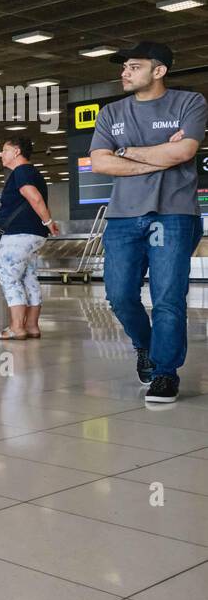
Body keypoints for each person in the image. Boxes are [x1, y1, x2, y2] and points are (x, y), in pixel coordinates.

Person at [88, 41, 205, 403]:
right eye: (124, 66)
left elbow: (185, 151)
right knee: (119, 295)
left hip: (173, 213)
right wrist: (159, 156)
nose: (124, 72)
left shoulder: (190, 103)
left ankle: (165, 373)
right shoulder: (111, 112)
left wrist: (125, 152)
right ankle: (145, 346)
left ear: (159, 71)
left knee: (168, 298)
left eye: (134, 66)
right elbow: (101, 162)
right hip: (123, 216)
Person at [0, 136, 59, 340]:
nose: (1, 154)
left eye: (4, 149)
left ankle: (16, 327)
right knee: (28, 277)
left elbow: (34, 197)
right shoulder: (33, 172)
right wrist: (46, 223)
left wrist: (48, 221)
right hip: (33, 234)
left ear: (17, 152)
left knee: (9, 277)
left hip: (18, 234)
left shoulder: (21, 172)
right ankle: (31, 326)